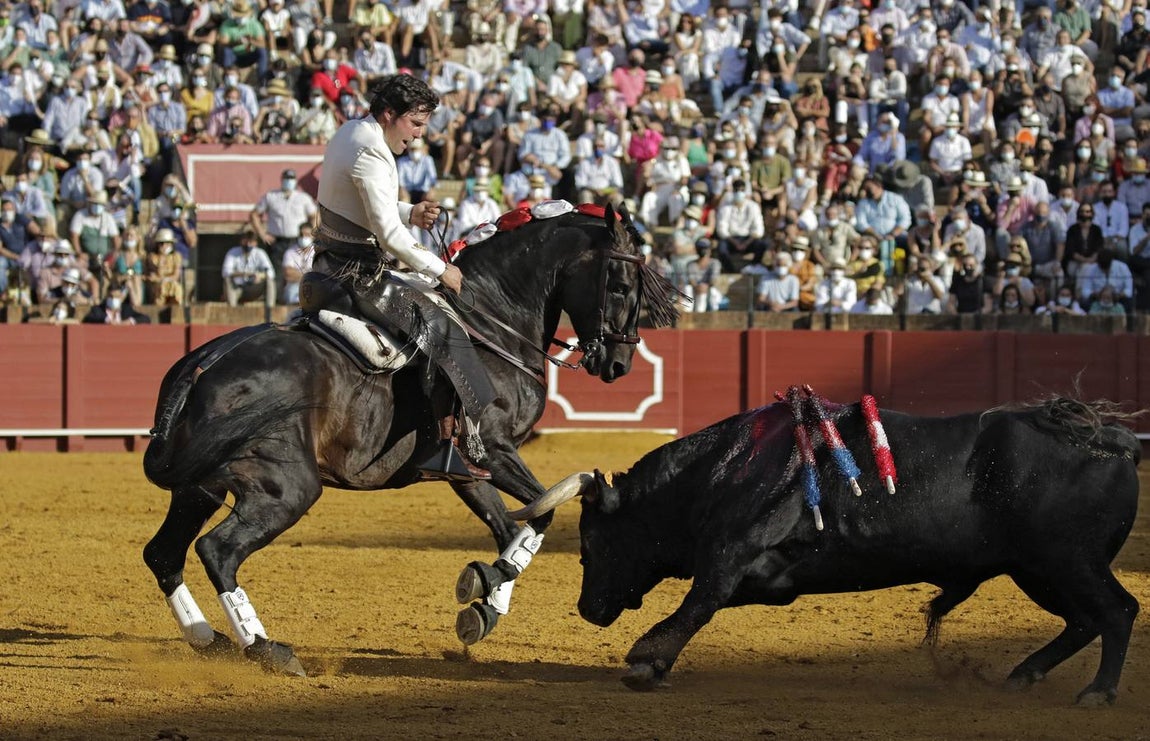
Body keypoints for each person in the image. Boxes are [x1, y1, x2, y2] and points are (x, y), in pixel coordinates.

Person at [309, 73, 496, 480]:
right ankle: (446, 446)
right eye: (414, 123)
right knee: (442, 326)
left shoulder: (353, 131)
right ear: (389, 114)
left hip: (333, 265)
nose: (418, 135)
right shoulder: (372, 152)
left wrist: (410, 212)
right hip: (357, 275)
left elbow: (363, 201)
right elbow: (389, 236)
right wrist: (441, 269)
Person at [222, 227, 276, 306]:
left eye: (251, 241)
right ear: (241, 241)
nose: (248, 244)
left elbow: (271, 272)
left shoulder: (260, 253)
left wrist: (260, 276)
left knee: (270, 281)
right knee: (227, 280)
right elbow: (226, 272)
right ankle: (232, 309)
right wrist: (245, 274)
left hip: (254, 288)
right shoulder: (233, 252)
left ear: (255, 243)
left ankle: (270, 309)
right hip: (238, 289)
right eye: (246, 241)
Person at [82, 282, 152, 324]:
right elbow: (88, 319)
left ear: (121, 297)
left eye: (116, 297)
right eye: (111, 296)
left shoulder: (126, 309)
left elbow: (146, 319)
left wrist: (129, 322)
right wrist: (107, 321)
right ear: (107, 296)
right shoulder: (98, 309)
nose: (113, 299)